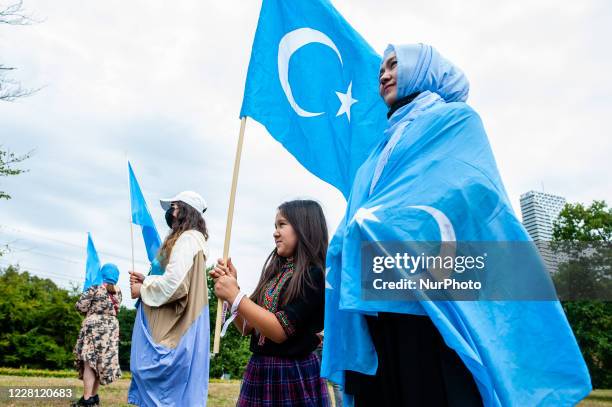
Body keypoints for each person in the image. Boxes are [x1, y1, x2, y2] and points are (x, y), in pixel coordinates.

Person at [321, 43, 591, 406]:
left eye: (394, 65)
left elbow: (467, 190)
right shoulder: (377, 150)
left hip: (431, 306)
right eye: (380, 70)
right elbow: (359, 212)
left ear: (423, 69)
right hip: (377, 306)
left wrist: (383, 222)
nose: (383, 75)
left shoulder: (457, 121)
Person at [211, 199, 330, 406]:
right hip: (259, 369)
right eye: (275, 226)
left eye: (282, 224)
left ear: (304, 227)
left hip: (291, 374)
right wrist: (233, 292)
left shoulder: (314, 275)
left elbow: (278, 331)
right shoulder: (274, 272)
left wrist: (236, 297)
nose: (275, 232)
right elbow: (246, 328)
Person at [127, 190, 210, 407]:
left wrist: (142, 287)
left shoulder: (187, 239)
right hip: (177, 323)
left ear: (185, 211)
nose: (170, 213)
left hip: (172, 328)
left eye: (173, 207)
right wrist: (148, 279)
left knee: (155, 379)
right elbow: (178, 278)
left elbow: (175, 285)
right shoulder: (190, 240)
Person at [73, 263, 122, 407]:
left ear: (102, 274)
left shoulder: (95, 288)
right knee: (101, 363)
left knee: (90, 362)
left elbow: (80, 306)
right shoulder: (118, 292)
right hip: (111, 329)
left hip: (95, 329)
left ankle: (87, 399)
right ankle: (93, 397)